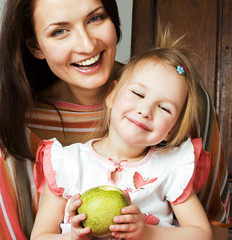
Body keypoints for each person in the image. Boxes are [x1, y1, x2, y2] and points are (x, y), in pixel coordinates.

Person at [0, 0, 230, 239]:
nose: (87, 44)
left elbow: (213, 232)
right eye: (59, 31)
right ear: (35, 45)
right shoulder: (54, 156)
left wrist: (148, 232)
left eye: (95, 18)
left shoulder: (184, 101)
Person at [31, 39, 213, 240]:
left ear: (172, 130)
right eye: (138, 93)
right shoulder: (67, 163)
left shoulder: (171, 167)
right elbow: (40, 236)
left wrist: (148, 232)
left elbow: (201, 234)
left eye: (164, 108)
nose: (145, 111)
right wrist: (72, 236)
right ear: (112, 95)